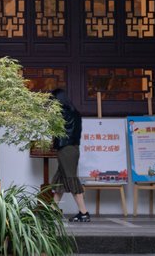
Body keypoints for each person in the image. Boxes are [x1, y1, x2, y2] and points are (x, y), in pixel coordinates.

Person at [50, 88, 91, 222]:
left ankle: (84, 213)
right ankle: (52, 211)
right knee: (60, 180)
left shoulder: (60, 113)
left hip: (65, 149)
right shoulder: (75, 113)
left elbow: (55, 131)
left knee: (71, 179)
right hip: (73, 148)